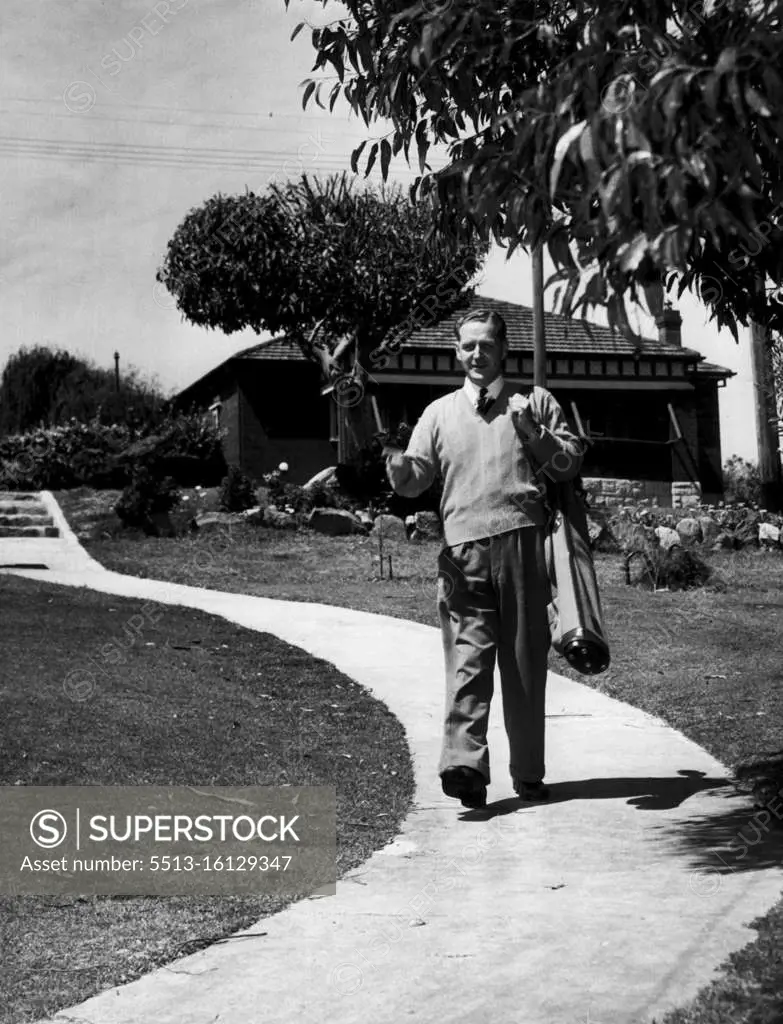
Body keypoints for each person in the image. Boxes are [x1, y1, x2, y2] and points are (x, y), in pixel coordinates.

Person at [385, 308, 584, 809]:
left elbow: (566, 466)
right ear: (457, 351)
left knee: (523, 666)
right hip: (462, 554)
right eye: (469, 345)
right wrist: (398, 467)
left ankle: (529, 774)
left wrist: (531, 430)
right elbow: (415, 480)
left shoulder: (535, 401)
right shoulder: (438, 413)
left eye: (487, 345)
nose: (478, 354)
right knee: (467, 663)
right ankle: (465, 768)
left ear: (503, 351)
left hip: (523, 546)